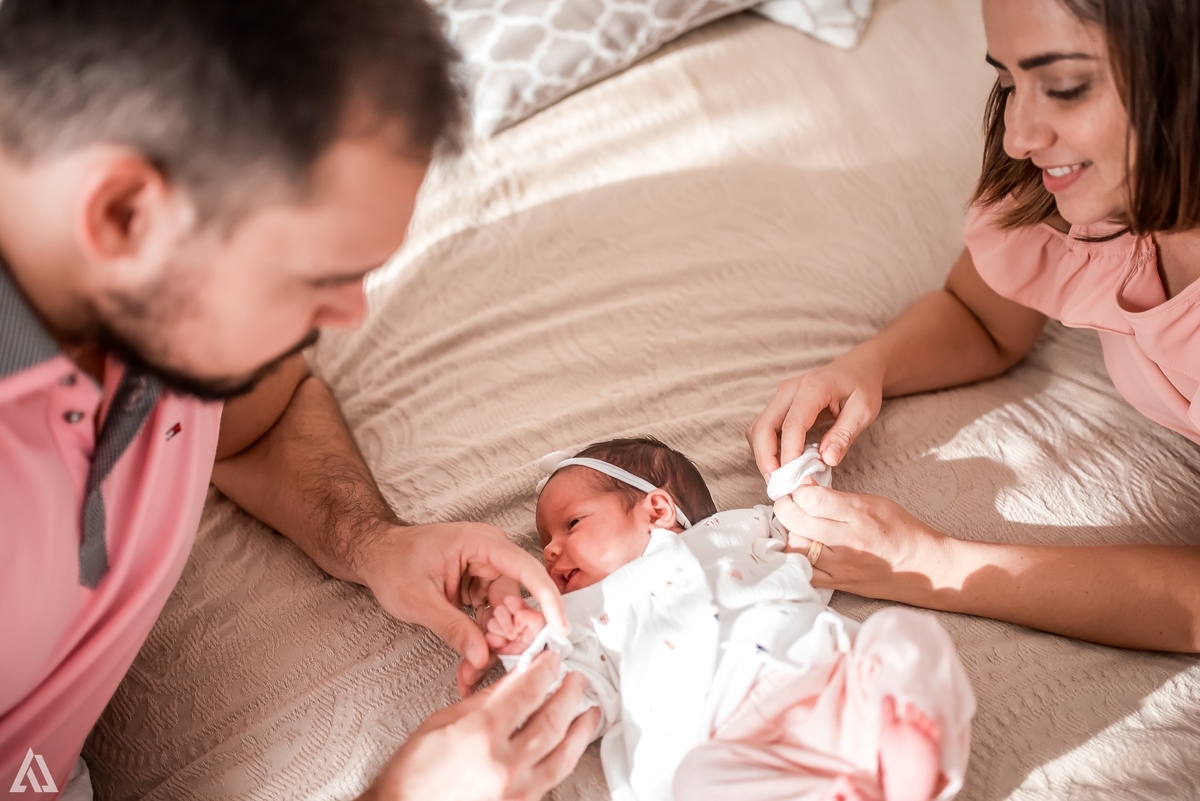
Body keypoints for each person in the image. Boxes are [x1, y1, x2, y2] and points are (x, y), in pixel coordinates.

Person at [0, 1, 598, 799]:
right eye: (320, 277)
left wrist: (374, 543)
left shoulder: (156, 307)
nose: (350, 315)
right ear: (123, 214)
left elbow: (263, 418)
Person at [747, 0, 1200, 653]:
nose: (1017, 135)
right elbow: (982, 317)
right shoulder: (1075, 202)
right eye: (1009, 84)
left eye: (1065, 88)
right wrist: (864, 368)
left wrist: (936, 564)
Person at [478, 438, 975, 801]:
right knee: (696, 781)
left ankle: (905, 738)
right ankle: (841, 787)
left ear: (656, 509)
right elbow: (572, 693)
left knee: (903, 636)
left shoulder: (736, 530)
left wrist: (797, 470)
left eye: (572, 523)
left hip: (820, 679)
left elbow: (803, 514)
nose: (549, 549)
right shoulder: (578, 617)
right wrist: (526, 646)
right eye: (546, 540)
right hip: (719, 739)